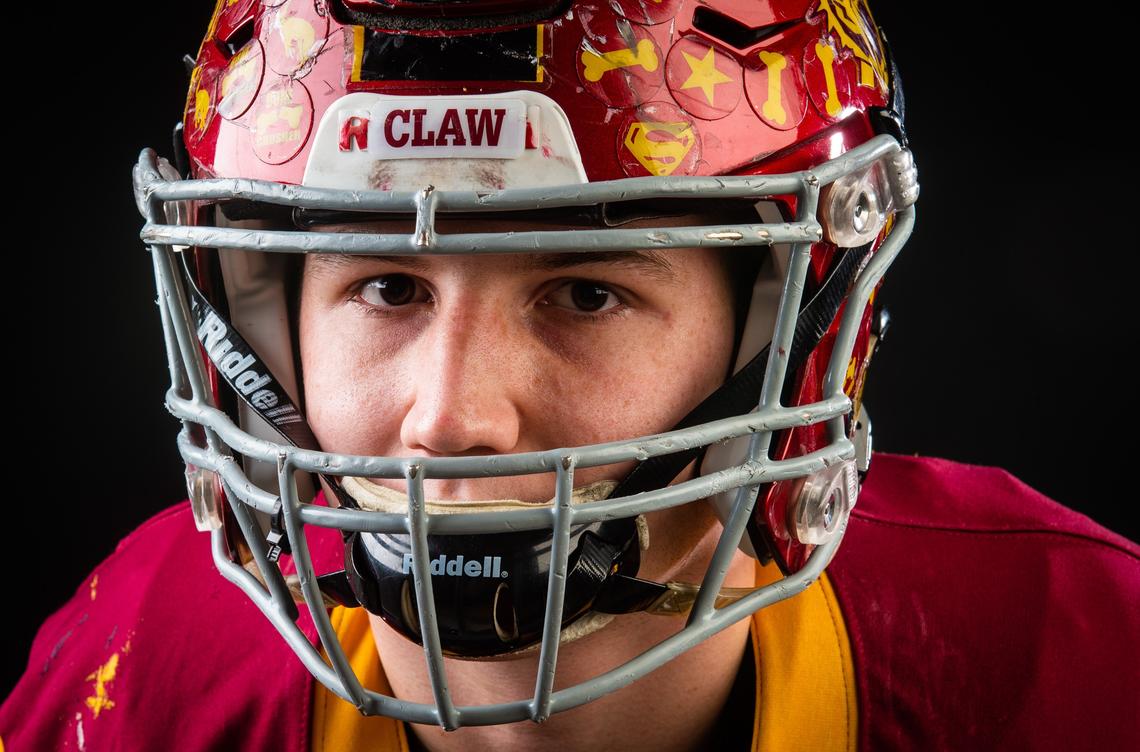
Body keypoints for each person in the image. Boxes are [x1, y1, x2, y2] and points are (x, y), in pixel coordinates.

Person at [3, 1, 1137, 750]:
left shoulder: (1082, 670)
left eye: (586, 292)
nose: (449, 418)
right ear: (259, 313)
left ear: (783, 335)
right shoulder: (133, 686)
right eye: (388, 288)